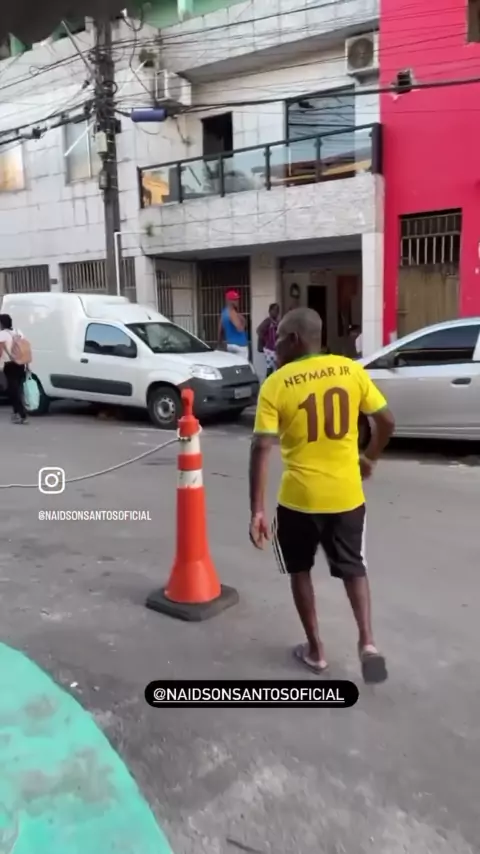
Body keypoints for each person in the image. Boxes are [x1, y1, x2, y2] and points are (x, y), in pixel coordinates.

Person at [248, 307, 395, 684]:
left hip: (299, 501)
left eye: (280, 338)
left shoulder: (276, 384)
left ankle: (316, 651)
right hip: (347, 496)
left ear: (295, 340)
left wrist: (257, 510)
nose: (275, 345)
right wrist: (369, 458)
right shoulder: (349, 370)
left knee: (299, 570)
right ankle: (367, 643)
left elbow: (261, 447)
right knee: (354, 567)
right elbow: (386, 420)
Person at [0, 313, 28, 424]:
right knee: (17, 390)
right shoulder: (18, 332)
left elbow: (0, 351)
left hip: (10, 364)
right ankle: (17, 413)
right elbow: (25, 348)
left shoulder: (2, 334)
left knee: (13, 391)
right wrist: (27, 364)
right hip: (20, 363)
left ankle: (21, 414)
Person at [218, 290, 249, 359]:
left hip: (229, 344)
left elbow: (220, 330)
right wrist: (243, 321)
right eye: (234, 300)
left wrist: (220, 343)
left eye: (237, 299)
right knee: (242, 364)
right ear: (229, 301)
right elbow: (240, 328)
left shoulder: (224, 313)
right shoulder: (232, 313)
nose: (237, 301)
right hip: (240, 345)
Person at [257, 303, 280, 377]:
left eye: (277, 310)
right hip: (269, 350)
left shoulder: (277, 322)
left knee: (277, 369)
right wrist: (266, 340)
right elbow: (259, 330)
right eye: (274, 310)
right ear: (270, 311)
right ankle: (268, 382)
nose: (276, 312)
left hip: (275, 349)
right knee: (270, 368)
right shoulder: (268, 321)